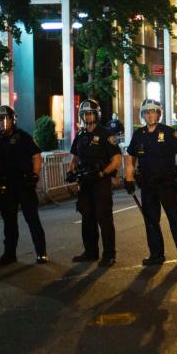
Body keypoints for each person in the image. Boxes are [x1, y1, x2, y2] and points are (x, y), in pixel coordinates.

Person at [124, 99, 177, 268]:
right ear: (143, 115)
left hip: (167, 184)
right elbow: (131, 158)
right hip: (147, 186)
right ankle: (156, 254)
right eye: (147, 112)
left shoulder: (168, 132)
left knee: (174, 219)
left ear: (159, 114)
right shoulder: (139, 134)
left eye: (153, 112)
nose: (150, 115)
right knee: (151, 222)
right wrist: (129, 178)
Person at [0, 105, 48, 265]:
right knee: (9, 223)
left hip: (24, 185)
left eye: (6, 119)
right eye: (0, 120)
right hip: (6, 187)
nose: (3, 122)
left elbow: (36, 156)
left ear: (13, 120)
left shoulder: (23, 137)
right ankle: (9, 254)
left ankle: (41, 253)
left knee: (32, 220)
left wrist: (35, 175)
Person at [66, 99, 122, 267]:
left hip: (100, 182)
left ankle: (109, 254)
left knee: (104, 219)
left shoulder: (106, 134)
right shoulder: (81, 135)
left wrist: (103, 172)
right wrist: (71, 171)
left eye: (90, 113)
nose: (87, 116)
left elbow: (116, 159)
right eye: (85, 114)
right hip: (85, 183)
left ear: (97, 115)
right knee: (87, 218)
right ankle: (90, 252)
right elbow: (75, 157)